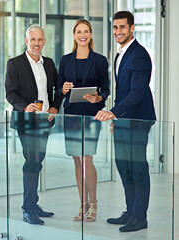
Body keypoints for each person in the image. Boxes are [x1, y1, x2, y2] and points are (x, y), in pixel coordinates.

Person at [94, 11, 156, 232]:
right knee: (124, 167)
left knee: (137, 168)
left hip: (138, 120)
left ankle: (140, 217)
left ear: (132, 28)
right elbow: (122, 91)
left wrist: (112, 112)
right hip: (123, 120)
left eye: (122, 27)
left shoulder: (139, 55)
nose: (118, 31)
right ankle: (130, 211)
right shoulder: (120, 54)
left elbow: (137, 92)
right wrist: (116, 118)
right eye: (115, 27)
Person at [5, 25, 62, 225]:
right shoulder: (14, 63)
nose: (36, 43)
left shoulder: (49, 63)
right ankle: (28, 209)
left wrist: (55, 107)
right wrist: (24, 106)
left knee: (37, 161)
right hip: (26, 120)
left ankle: (33, 204)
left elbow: (58, 89)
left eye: (40, 40)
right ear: (26, 41)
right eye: (33, 40)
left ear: (44, 42)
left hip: (45, 120)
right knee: (32, 160)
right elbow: (10, 93)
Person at [56, 19, 109, 222]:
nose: (83, 35)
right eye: (79, 31)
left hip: (91, 114)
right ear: (74, 34)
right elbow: (59, 88)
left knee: (87, 159)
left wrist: (99, 97)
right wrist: (64, 89)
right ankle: (82, 203)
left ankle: (93, 203)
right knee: (77, 161)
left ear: (91, 34)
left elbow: (105, 89)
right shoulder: (66, 59)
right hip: (71, 114)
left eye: (86, 31)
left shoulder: (100, 60)